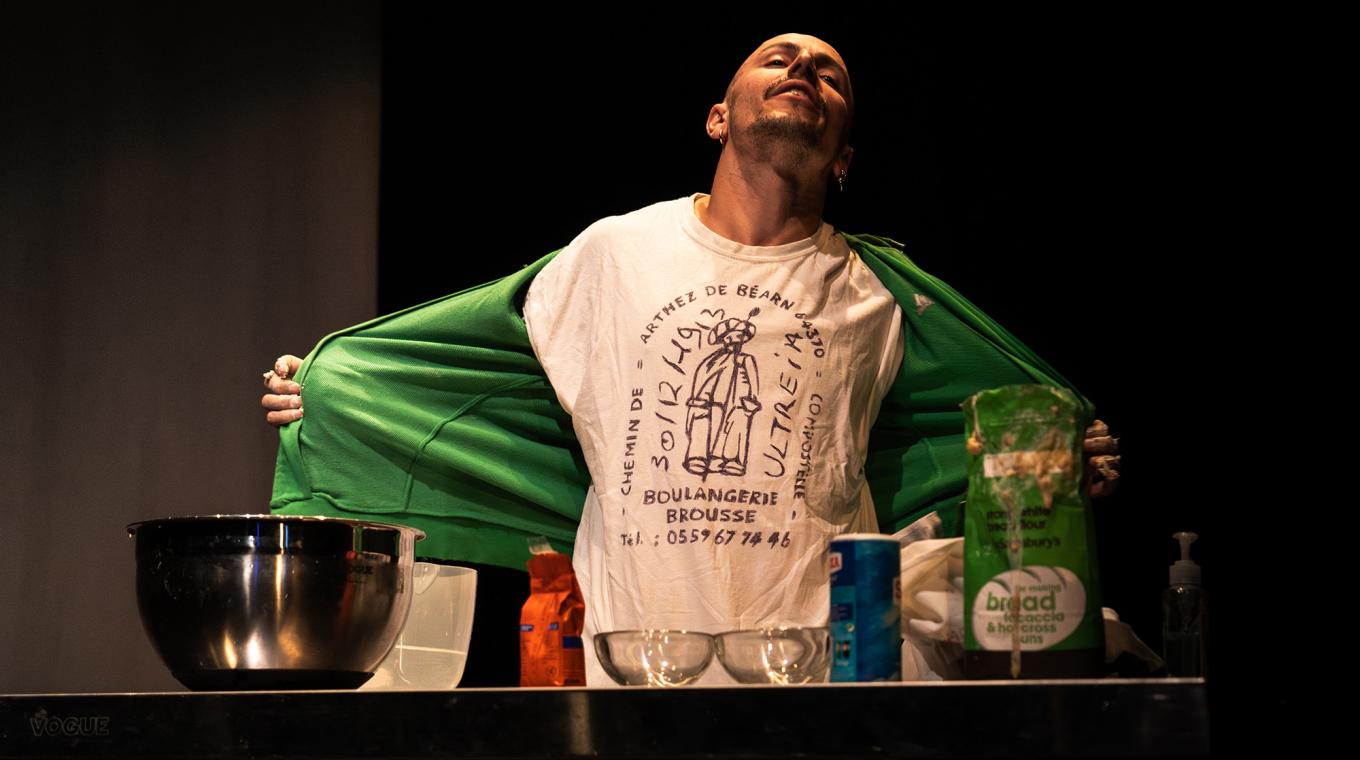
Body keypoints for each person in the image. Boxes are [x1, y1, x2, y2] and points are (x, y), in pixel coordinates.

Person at [262, 33, 1119, 685]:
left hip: (820, 676)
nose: (802, 71)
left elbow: (978, 432)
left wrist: (1053, 463)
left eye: (829, 75)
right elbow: (463, 370)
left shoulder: (879, 294)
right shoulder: (610, 254)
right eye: (778, 58)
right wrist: (336, 389)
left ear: (845, 155)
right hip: (635, 673)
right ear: (718, 116)